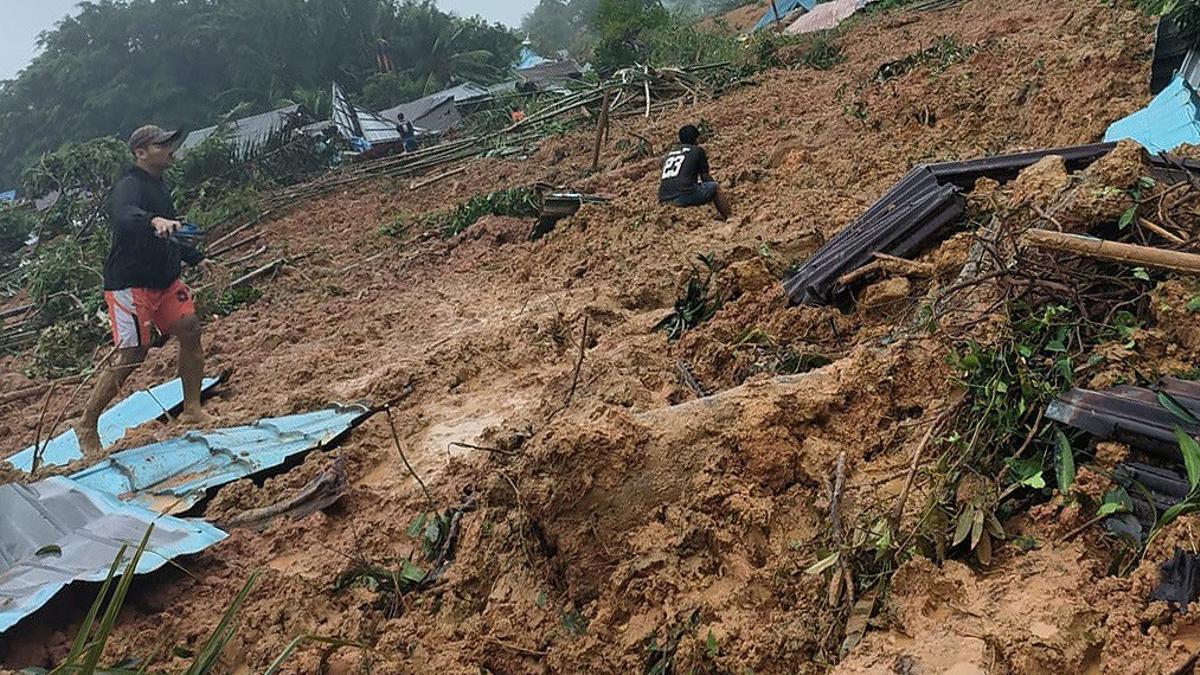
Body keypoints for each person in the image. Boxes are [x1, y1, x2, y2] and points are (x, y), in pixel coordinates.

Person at [74, 125, 213, 457]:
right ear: (140, 152)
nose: (170, 147)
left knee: (191, 330)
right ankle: (86, 424)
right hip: (130, 283)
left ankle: (192, 408)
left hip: (165, 280)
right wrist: (153, 221)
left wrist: (195, 257)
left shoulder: (158, 186)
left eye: (169, 142)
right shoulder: (129, 186)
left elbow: (168, 232)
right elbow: (125, 217)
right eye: (161, 143)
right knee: (134, 353)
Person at [657, 124, 731, 221]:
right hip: (683, 196)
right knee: (715, 187)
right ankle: (729, 217)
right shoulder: (697, 150)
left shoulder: (671, 153)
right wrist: (715, 194)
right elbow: (705, 177)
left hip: (663, 197)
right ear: (696, 139)